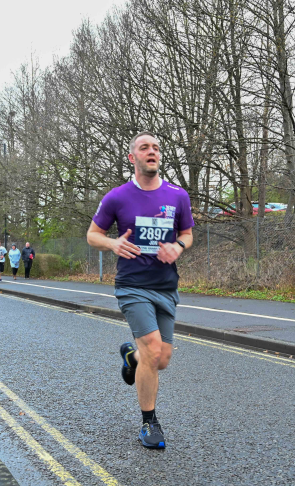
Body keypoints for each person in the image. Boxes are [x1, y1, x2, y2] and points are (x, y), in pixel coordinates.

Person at [87, 131, 194, 449]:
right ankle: (150, 424)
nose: (152, 152)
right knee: (152, 349)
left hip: (166, 286)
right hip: (132, 286)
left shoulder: (178, 195)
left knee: (162, 359)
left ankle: (131, 358)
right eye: (144, 147)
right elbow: (93, 235)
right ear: (132, 157)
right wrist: (113, 243)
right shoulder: (117, 197)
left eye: (156, 148)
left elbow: (187, 233)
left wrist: (178, 247)